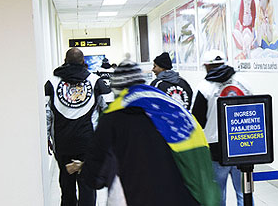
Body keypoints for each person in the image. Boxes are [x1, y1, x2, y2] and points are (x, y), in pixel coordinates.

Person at [77, 60, 220, 206]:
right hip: (185, 197)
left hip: (138, 197)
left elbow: (94, 176)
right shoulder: (174, 109)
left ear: (117, 88)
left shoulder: (112, 117)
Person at [44, 47, 111, 206]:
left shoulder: (51, 84)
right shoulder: (96, 82)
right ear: (83, 62)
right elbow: (109, 110)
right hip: (87, 143)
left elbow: (46, 114)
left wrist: (46, 137)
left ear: (65, 61)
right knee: (88, 186)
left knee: (66, 186)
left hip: (62, 144)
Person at [192, 50, 253, 206]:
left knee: (218, 194)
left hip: (216, 147)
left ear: (207, 66)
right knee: (244, 192)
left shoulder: (204, 87)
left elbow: (197, 120)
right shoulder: (243, 81)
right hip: (243, 143)